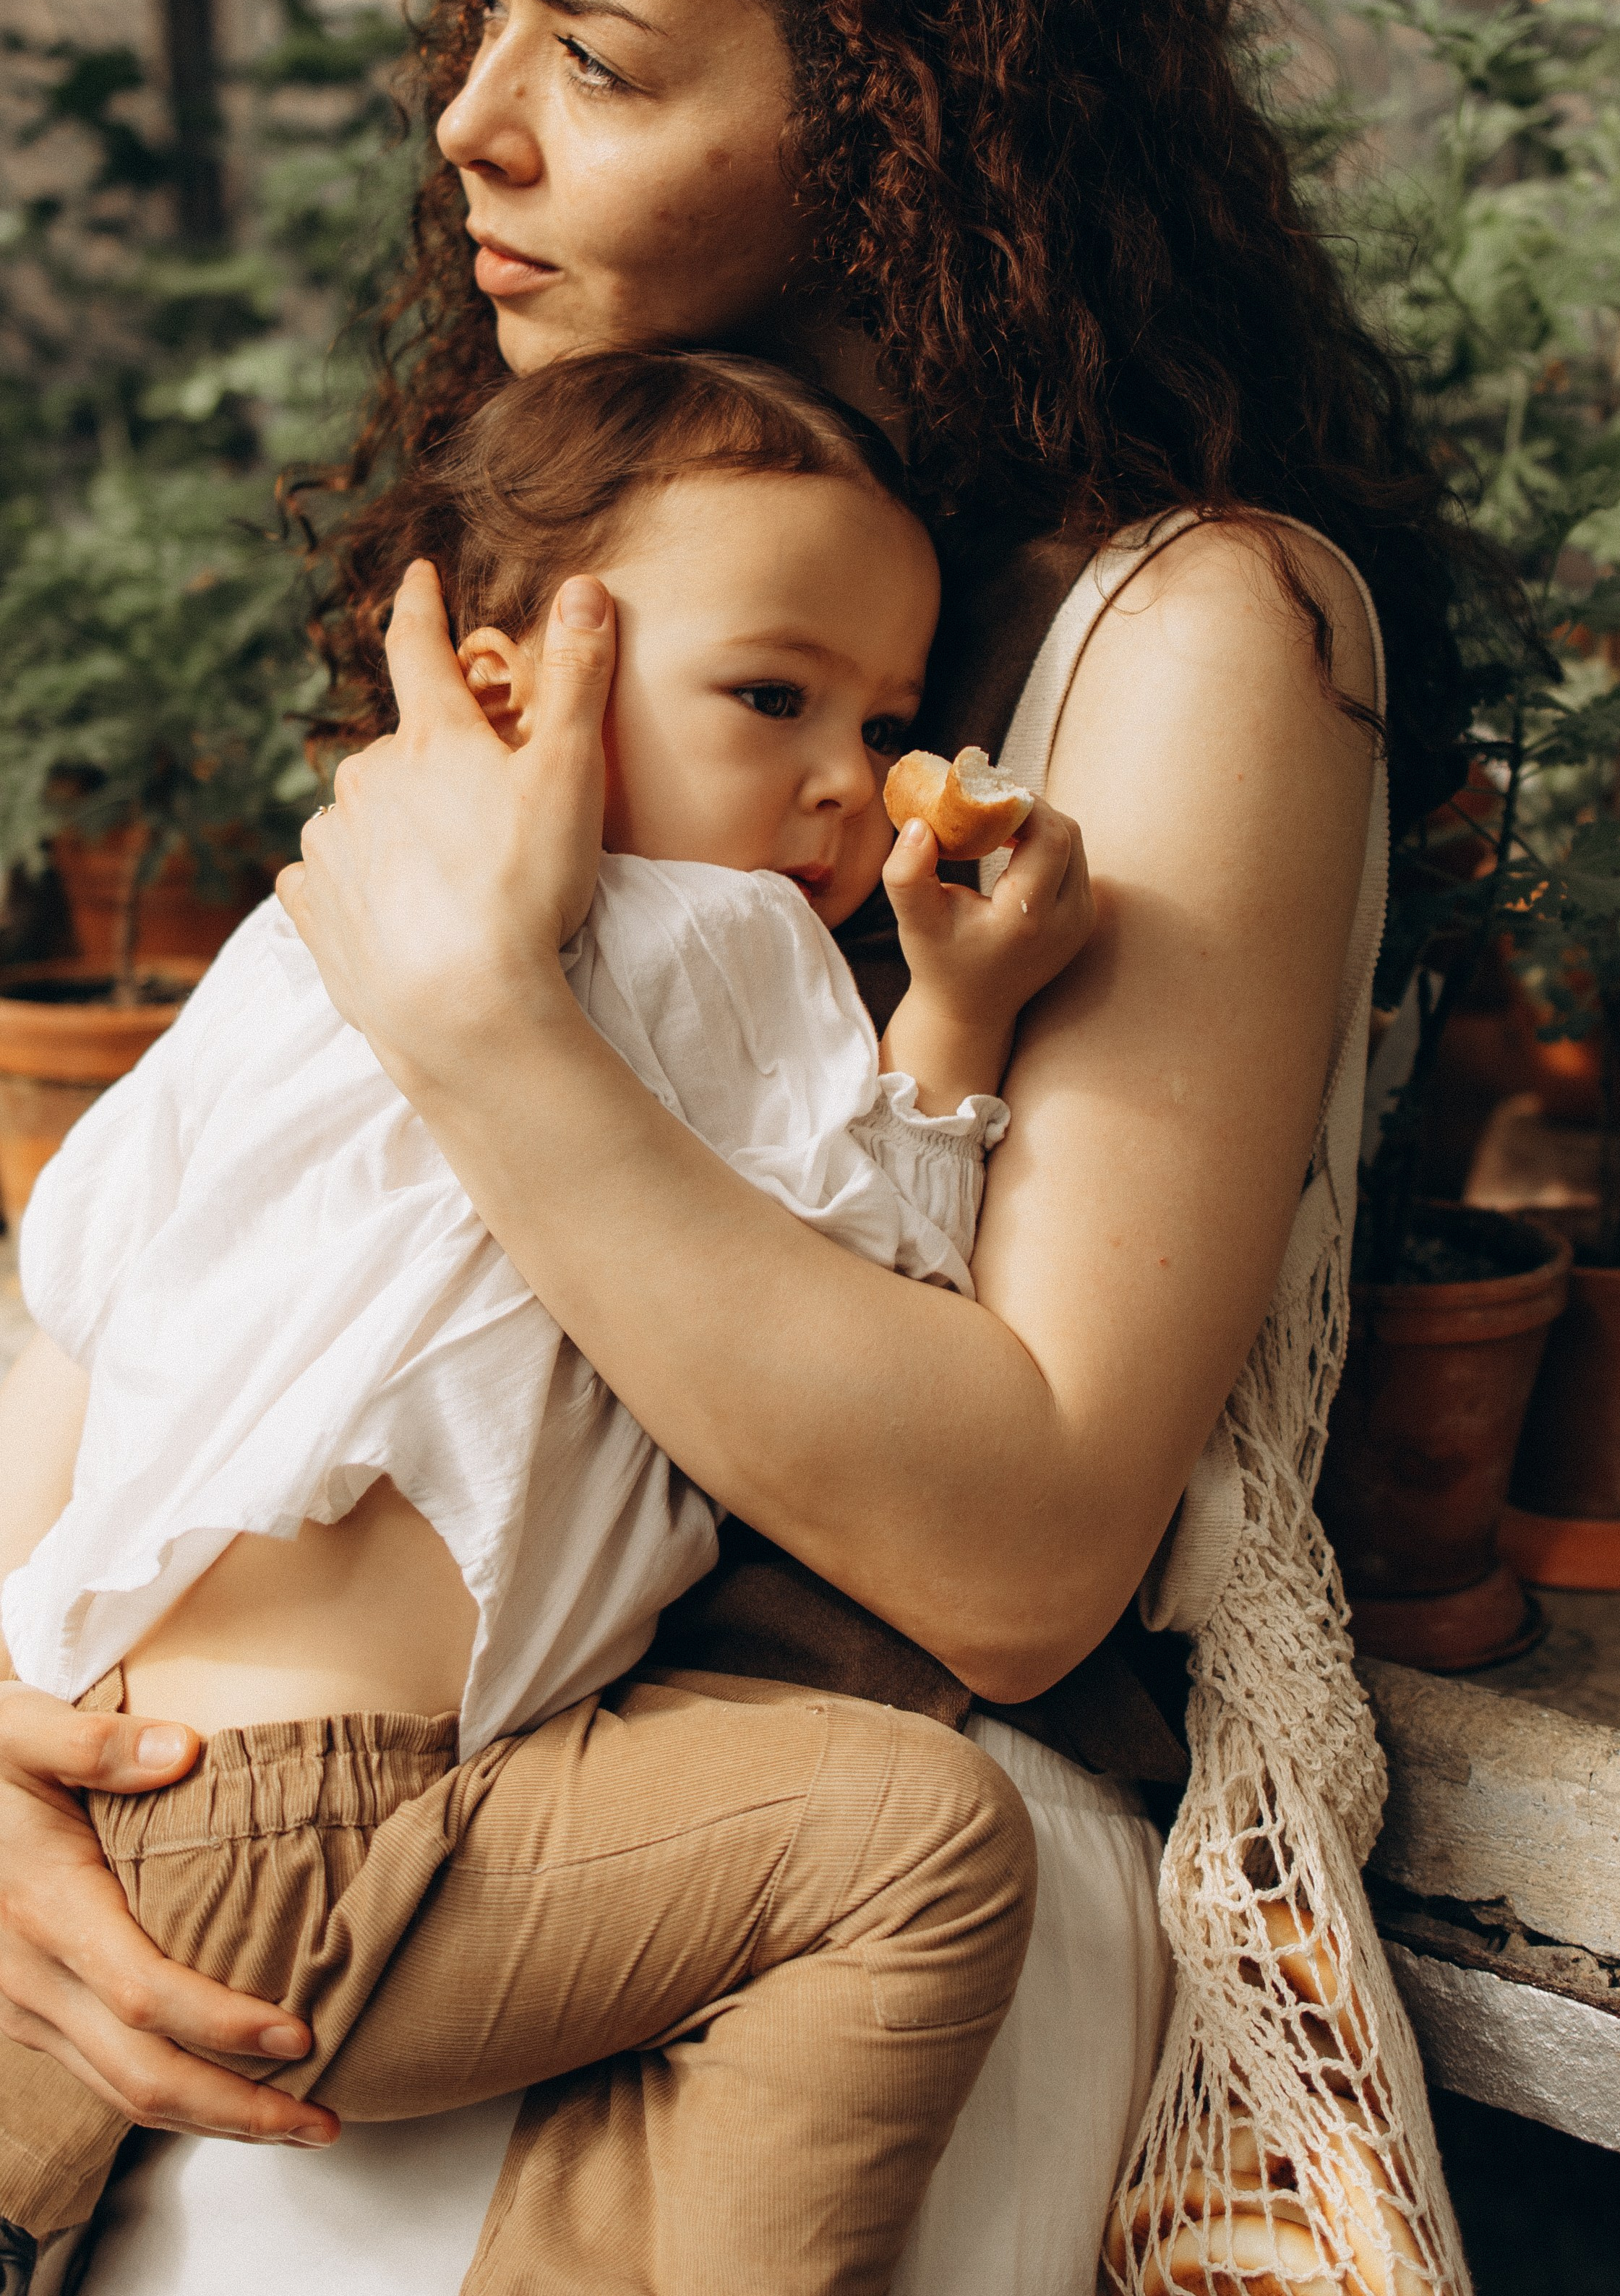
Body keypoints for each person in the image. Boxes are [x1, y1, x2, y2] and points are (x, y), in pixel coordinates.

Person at [0, 0, 1492, 2291]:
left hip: (819, 1914)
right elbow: (198, 1224)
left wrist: (480, 1019)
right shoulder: (618, 558)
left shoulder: (1200, 636)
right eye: (487, 18)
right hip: (381, 1815)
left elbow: (1023, 1548)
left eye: (599, 56)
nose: (471, 123)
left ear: (907, 117)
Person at [0, 343, 1096, 2290]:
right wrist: (962, 1010)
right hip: (346, 1838)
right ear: (517, 692)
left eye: (885, 720)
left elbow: (77, 1284)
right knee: (915, 1846)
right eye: (772, 697)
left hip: (97, 1772)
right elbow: (893, 1283)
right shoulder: (720, 939)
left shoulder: (291, 941)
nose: (846, 782)